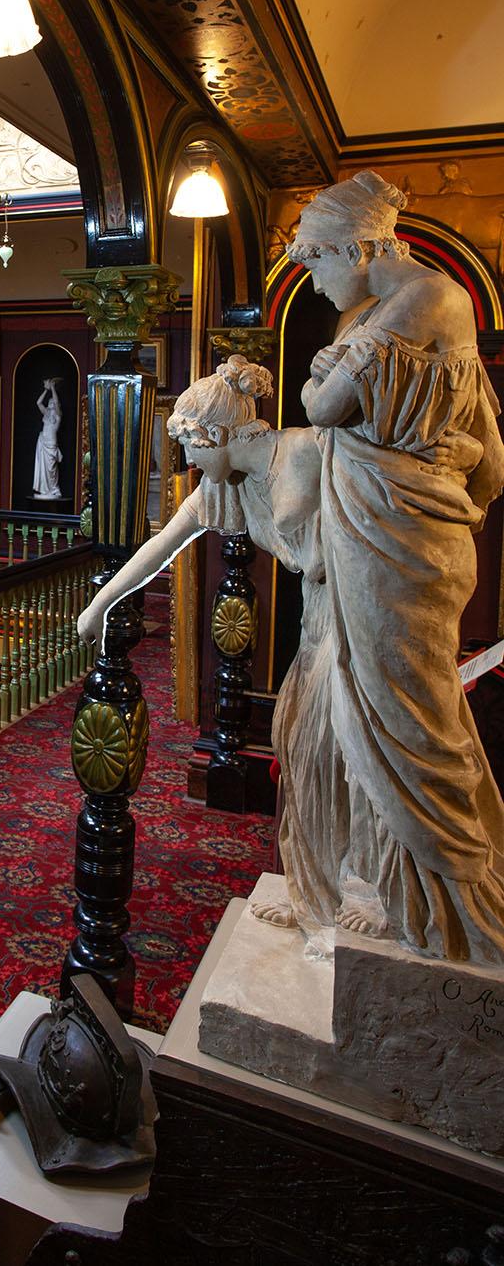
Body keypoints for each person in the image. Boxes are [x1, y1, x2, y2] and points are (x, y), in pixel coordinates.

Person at [288, 170, 504, 963]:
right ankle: (400, 891)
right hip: (379, 536)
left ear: (357, 247)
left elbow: (322, 405)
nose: (316, 283)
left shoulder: (430, 298)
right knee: (376, 709)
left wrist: (325, 377)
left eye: (317, 261)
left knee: (412, 715)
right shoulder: (379, 313)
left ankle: (461, 903)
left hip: (403, 547)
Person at [78, 357, 342, 941]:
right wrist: (101, 605)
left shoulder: (305, 448)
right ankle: (316, 889)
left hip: (355, 613)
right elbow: (161, 547)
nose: (189, 462)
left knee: (331, 746)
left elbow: (379, 498)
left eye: (192, 448)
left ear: (217, 435)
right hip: (320, 617)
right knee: (297, 743)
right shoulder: (225, 488)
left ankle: (354, 892)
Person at [32, 378, 63, 499]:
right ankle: (45, 490)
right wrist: (46, 390)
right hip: (43, 443)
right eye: (49, 404)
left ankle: (54, 489)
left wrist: (53, 388)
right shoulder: (46, 415)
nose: (50, 406)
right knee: (43, 470)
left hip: (51, 445)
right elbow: (38, 403)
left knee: (51, 470)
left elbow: (56, 401)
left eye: (52, 404)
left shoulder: (58, 417)